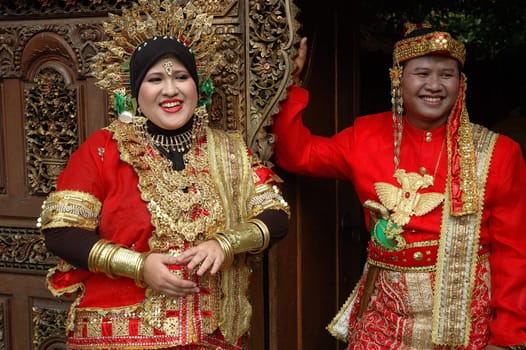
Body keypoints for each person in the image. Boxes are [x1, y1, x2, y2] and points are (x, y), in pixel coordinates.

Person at [37, 1, 289, 349]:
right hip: (122, 335)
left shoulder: (230, 151)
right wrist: (139, 266)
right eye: (155, 79)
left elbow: (276, 216)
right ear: (135, 92)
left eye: (181, 77)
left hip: (211, 334)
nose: (171, 90)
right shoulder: (103, 150)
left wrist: (226, 244)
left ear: (198, 86)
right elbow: (61, 233)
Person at [272, 23, 526, 349]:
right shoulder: (365, 135)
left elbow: (515, 254)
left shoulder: (498, 153)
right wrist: (290, 83)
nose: (434, 85)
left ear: (460, 83)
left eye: (446, 75)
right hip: (384, 317)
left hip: (466, 324)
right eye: (421, 73)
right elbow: (298, 155)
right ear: (398, 78)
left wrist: (506, 339)